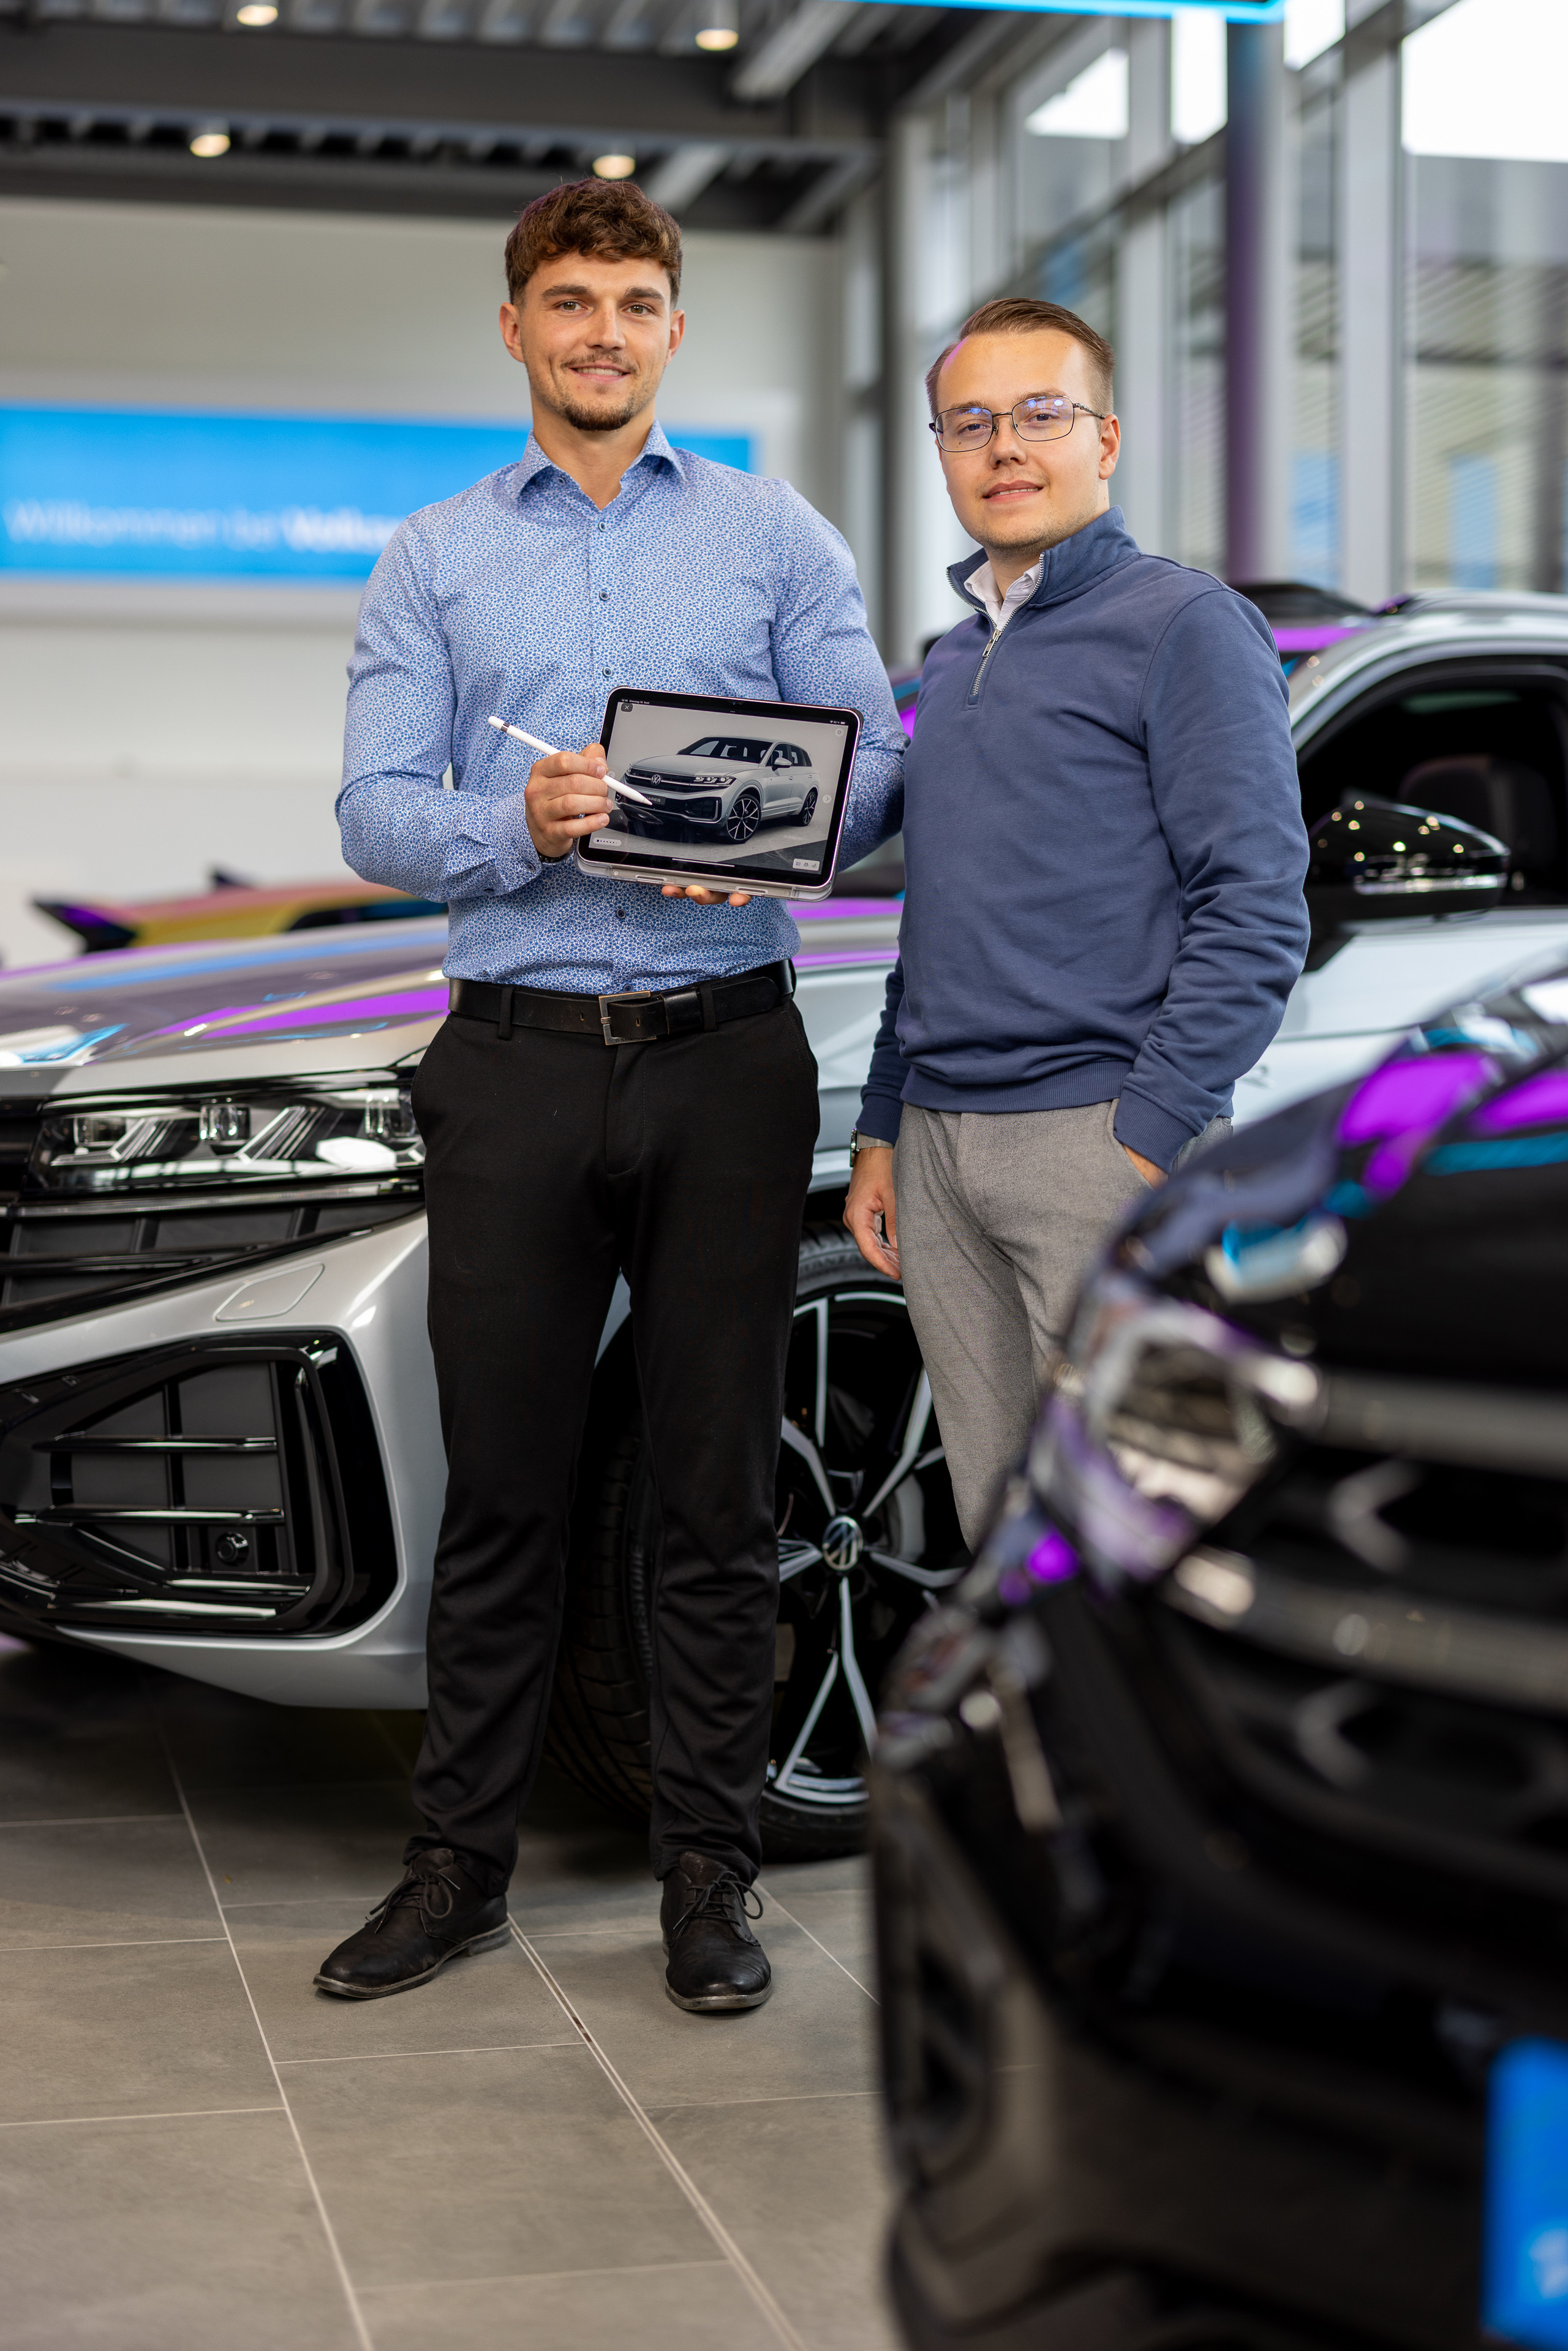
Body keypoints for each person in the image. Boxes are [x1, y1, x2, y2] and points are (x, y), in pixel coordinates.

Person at [320, 179, 902, 2012]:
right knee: (503, 1484)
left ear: (673, 329)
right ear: (517, 328)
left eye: (635, 303)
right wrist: (520, 820)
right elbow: (373, 810)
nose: (603, 333)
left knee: (712, 1494)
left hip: (727, 1056)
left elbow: (878, 763)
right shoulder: (433, 556)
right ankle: (457, 1866)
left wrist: (776, 834)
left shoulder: (772, 534)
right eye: (570, 301)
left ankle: (708, 1876)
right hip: (511, 1062)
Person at [843, 296, 1309, 1549]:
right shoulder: (949, 659)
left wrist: (1152, 1130)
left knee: (1139, 1526)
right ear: (943, 452)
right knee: (1000, 1526)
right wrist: (885, 1120)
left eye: (1039, 414)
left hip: (1097, 1137)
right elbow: (934, 913)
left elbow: (1256, 904)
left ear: (1104, 438)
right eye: (970, 422)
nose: (1003, 446)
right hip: (939, 1146)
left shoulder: (1185, 624)